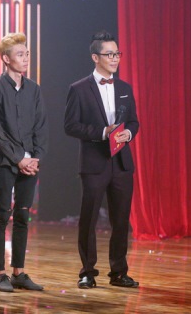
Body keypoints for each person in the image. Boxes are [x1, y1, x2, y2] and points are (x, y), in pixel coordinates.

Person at [64, 30, 140, 289]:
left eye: (117, 53)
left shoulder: (125, 88)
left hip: (122, 163)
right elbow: (70, 125)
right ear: (95, 57)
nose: (115, 58)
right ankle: (87, 271)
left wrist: (128, 133)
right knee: (89, 219)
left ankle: (119, 272)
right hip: (94, 163)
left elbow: (133, 121)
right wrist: (102, 132)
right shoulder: (78, 89)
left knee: (121, 219)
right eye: (109, 54)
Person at [0, 32, 49, 293]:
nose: (25, 58)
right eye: (20, 54)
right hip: (5, 162)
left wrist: (35, 158)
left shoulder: (34, 89)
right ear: (6, 58)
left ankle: (19, 272)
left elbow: (41, 127)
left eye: (27, 54)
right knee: (2, 215)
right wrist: (18, 158)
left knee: (23, 215)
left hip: (30, 163)